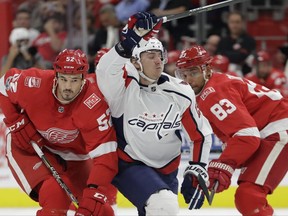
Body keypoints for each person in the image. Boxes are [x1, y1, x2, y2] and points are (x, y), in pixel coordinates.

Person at [96, 12, 213, 215]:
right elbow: (106, 69)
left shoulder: (180, 91)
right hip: (129, 163)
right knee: (163, 206)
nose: (158, 61)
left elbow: (200, 135)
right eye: (151, 56)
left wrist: (197, 168)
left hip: (168, 168)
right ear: (135, 61)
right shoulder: (121, 88)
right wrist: (130, 39)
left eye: (160, 56)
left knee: (160, 210)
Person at [0, 49, 118, 216]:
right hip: (29, 147)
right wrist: (15, 121)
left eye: (74, 80)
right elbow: (3, 84)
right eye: (63, 79)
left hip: (74, 156)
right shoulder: (35, 82)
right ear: (55, 75)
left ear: (84, 78)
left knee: (101, 212)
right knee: (56, 194)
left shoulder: (94, 104)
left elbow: (106, 158)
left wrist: (92, 197)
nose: (68, 87)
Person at [175, 45, 288, 216]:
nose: (188, 80)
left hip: (279, 129)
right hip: (268, 131)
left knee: (249, 197)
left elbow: (247, 136)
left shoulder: (213, 92)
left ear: (207, 70)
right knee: (247, 198)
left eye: (193, 72)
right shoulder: (207, 91)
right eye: (183, 74)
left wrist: (224, 164)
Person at [216, 11, 256, 76]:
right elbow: (221, 56)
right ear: (228, 23)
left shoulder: (249, 40)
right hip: (225, 74)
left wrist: (228, 54)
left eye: (237, 22)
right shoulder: (223, 41)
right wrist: (238, 55)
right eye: (232, 22)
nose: (234, 25)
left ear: (242, 23)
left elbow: (243, 57)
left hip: (245, 75)